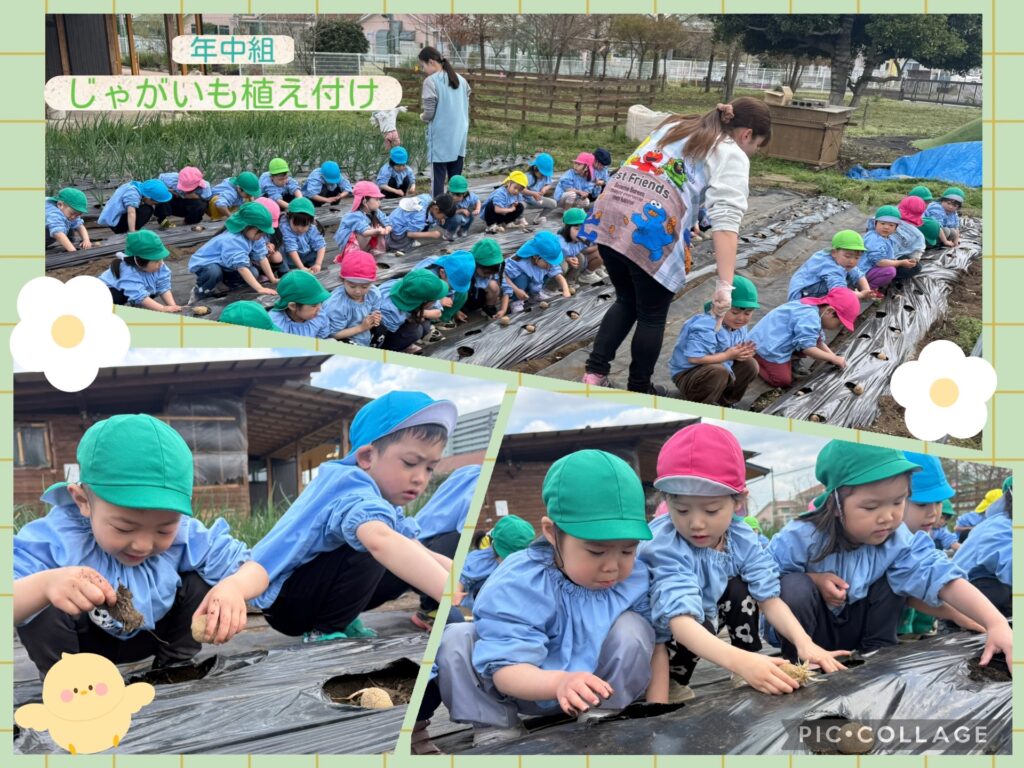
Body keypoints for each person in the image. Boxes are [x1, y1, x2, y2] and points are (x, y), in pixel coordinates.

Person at [14, 415, 269, 676]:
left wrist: (234, 587)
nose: (143, 545)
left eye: (164, 529)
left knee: (201, 581)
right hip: (84, 646)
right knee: (43, 600)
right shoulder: (57, 537)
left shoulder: (185, 535)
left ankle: (174, 667)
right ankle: (67, 680)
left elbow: (257, 570)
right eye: (124, 528)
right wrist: (45, 585)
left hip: (153, 635)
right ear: (83, 501)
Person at [433, 450, 657, 747]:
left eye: (627, 550)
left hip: (598, 690)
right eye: (597, 551)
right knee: (456, 637)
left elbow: (657, 642)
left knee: (635, 625)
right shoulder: (520, 582)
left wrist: (658, 707)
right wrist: (560, 683)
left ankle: (604, 712)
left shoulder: (635, 576)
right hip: (521, 686)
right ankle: (495, 723)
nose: (613, 566)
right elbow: (505, 670)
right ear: (552, 533)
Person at [641, 425, 846, 704]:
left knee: (740, 587)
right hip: (666, 636)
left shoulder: (741, 538)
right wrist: (740, 662)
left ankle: (749, 659)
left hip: (707, 617)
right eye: (682, 510)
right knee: (692, 622)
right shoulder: (665, 545)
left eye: (711, 510)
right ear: (667, 501)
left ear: (738, 501)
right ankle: (675, 680)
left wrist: (805, 643)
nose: (696, 523)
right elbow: (680, 622)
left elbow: (769, 599)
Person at [582, 99, 772, 394]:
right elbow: (726, 222)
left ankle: (594, 375)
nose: (753, 152)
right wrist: (725, 284)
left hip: (610, 215)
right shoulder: (730, 152)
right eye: (757, 146)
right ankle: (639, 389)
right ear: (746, 134)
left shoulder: (679, 125)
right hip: (648, 228)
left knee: (626, 300)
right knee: (651, 314)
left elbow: (669, 178)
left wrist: (689, 217)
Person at [768, 441, 1012, 666]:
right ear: (835, 505)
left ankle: (878, 657)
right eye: (871, 507)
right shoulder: (800, 537)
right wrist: (814, 579)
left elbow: (937, 573)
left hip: (858, 629)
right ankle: (799, 665)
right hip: (810, 636)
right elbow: (765, 583)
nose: (888, 517)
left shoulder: (897, 540)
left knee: (893, 576)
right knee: (794, 586)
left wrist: (995, 622)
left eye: (898, 502)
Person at [250, 392, 457, 642]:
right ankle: (325, 629)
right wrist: (448, 591)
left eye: (430, 468)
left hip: (312, 593)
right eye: (410, 462)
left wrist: (461, 577)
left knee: (405, 553)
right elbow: (380, 539)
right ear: (367, 457)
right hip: (285, 601)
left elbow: (416, 548)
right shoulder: (349, 485)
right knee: (378, 543)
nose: (420, 478)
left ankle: (340, 618)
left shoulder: (383, 500)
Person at [897, 452, 969, 639]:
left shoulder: (921, 535)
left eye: (938, 503)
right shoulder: (889, 543)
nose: (934, 513)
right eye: (921, 504)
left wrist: (959, 614)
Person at [669, 275, 760, 406]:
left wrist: (742, 353)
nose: (741, 318)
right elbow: (694, 358)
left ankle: (725, 403)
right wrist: (728, 355)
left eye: (747, 313)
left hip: (722, 366)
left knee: (750, 365)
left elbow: (733, 351)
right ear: (721, 306)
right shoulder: (706, 325)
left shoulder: (739, 327)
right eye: (735, 312)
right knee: (718, 372)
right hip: (689, 373)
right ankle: (702, 404)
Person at [748, 287, 858, 388]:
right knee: (782, 380)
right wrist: (833, 359)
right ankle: (755, 360)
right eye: (839, 323)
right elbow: (808, 348)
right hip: (767, 347)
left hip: (770, 337)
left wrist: (833, 357)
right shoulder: (809, 317)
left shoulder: (814, 307)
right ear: (829, 311)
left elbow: (818, 341)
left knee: (808, 345)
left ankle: (784, 359)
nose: (837, 327)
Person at [187, 202, 279, 304]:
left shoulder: (255, 237)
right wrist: (260, 288)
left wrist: (273, 279)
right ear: (246, 226)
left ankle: (225, 286)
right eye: (260, 231)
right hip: (206, 264)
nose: (262, 235)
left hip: (224, 264)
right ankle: (200, 292)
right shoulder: (233, 240)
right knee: (213, 272)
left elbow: (262, 257)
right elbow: (241, 268)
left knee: (253, 272)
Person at [954, 477, 1012, 617]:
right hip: (963, 589)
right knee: (1000, 591)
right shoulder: (1001, 524)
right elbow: (1008, 564)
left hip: (983, 583)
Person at [418, 45, 471, 197]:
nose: (423, 70)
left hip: (441, 136)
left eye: (423, 65)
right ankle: (454, 206)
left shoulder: (431, 81)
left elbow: (429, 113)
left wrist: (422, 117)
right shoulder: (462, 80)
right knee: (455, 179)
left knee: (438, 179)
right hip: (459, 134)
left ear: (431, 62)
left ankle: (438, 207)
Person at [455, 514, 536, 610]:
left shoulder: (530, 560)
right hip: (480, 599)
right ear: (497, 550)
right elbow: (463, 577)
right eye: (508, 558)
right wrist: (456, 592)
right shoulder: (482, 559)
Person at [98, 230, 180, 312]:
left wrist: (173, 306)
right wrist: (163, 308)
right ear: (140, 262)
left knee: (151, 290)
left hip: (133, 291)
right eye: (156, 261)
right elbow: (139, 295)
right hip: (105, 293)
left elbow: (163, 286)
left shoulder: (160, 266)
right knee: (116, 298)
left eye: (161, 258)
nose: (161, 263)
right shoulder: (128, 271)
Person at [377, 269, 451, 354]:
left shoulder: (402, 284)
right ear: (424, 302)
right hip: (381, 329)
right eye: (435, 300)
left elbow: (436, 311)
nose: (437, 301)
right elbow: (381, 335)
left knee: (421, 324)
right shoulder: (392, 315)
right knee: (415, 332)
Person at [786, 230, 873, 302]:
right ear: (834, 252)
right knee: (842, 295)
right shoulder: (830, 266)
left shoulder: (837, 258)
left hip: (810, 287)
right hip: (802, 296)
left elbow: (858, 274)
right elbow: (840, 291)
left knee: (851, 272)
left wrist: (867, 291)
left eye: (857, 257)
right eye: (847, 256)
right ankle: (820, 307)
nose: (852, 261)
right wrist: (860, 295)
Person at [498, 231, 569, 317]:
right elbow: (503, 275)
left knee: (549, 272)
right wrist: (516, 290)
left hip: (533, 282)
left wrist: (566, 290)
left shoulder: (547, 263)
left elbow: (559, 276)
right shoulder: (518, 262)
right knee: (521, 277)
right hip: (517, 287)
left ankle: (535, 294)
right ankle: (517, 302)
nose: (550, 265)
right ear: (536, 257)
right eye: (548, 262)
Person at [323, 249, 382, 346]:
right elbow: (333, 334)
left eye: (364, 287)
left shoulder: (373, 293)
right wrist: (361, 328)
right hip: (345, 336)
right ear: (343, 280)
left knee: (383, 328)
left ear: (372, 283)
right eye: (352, 286)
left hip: (365, 330)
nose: (358, 291)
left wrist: (375, 317)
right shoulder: (336, 305)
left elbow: (374, 311)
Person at [267, 270, 341, 339]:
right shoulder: (274, 325)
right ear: (293, 306)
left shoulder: (319, 316)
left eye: (320, 302)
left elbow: (322, 337)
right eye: (314, 305)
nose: (319, 308)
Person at [860, 205, 916, 292]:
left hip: (871, 269)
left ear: (896, 228)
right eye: (882, 223)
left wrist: (898, 261)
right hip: (863, 272)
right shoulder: (873, 238)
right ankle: (867, 290)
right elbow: (879, 262)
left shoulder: (887, 238)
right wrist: (900, 262)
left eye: (891, 225)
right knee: (890, 271)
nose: (886, 227)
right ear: (875, 223)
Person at [333, 181, 391, 259]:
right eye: (376, 199)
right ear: (364, 201)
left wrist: (387, 228)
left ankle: (375, 251)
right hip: (350, 246)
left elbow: (387, 222)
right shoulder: (354, 215)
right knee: (371, 230)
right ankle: (355, 255)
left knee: (378, 226)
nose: (379, 202)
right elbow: (364, 232)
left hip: (364, 241)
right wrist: (378, 230)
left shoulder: (376, 211)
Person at [456, 237, 506, 322]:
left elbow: (505, 287)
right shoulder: (463, 268)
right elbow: (450, 291)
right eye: (486, 273)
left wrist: (503, 309)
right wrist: (455, 311)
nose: (488, 276)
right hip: (461, 297)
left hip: (477, 296)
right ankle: (457, 310)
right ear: (476, 264)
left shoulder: (495, 267)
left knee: (494, 286)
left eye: (491, 273)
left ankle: (488, 308)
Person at [97, 178, 173, 233]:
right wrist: (132, 233)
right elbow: (131, 213)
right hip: (115, 224)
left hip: (115, 217)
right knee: (148, 210)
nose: (155, 204)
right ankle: (131, 230)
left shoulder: (137, 185)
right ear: (148, 197)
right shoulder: (132, 194)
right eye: (155, 203)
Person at [386, 193, 457, 251]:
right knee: (408, 238)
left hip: (394, 219)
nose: (443, 218)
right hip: (395, 231)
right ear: (436, 209)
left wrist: (440, 218)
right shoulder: (421, 217)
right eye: (444, 216)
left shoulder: (428, 199)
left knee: (426, 223)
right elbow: (409, 234)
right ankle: (403, 245)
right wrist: (431, 234)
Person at [275, 197, 327, 274]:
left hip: (306, 255)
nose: (299, 228)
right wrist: (301, 267)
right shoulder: (285, 227)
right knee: (280, 249)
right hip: (290, 259)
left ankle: (310, 265)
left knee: (319, 248)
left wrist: (318, 264)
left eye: (304, 225)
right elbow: (291, 248)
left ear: (311, 222)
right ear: (289, 217)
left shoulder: (312, 227)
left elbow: (320, 245)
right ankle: (284, 271)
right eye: (296, 224)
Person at [558, 207, 604, 286]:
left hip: (574, 259)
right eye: (577, 229)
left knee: (581, 258)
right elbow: (554, 256)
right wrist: (567, 259)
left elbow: (584, 248)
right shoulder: (560, 241)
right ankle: (553, 287)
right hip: (560, 262)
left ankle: (570, 281)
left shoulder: (581, 239)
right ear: (567, 228)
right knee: (564, 267)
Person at [45, 187, 92, 252]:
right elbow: (57, 233)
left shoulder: (69, 213)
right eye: (72, 213)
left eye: (77, 215)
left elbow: (80, 225)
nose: (74, 217)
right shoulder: (53, 213)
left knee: (69, 223)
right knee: (52, 235)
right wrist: (73, 251)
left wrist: (86, 240)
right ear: (60, 205)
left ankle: (69, 240)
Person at [444, 175, 481, 239]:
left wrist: (477, 209)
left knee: (471, 216)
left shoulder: (469, 197)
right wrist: (461, 210)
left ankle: (462, 231)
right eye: (452, 194)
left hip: (462, 216)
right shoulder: (447, 199)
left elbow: (477, 200)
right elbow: (447, 213)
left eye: (458, 194)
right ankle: (449, 233)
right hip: (448, 218)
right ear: (449, 191)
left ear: (464, 193)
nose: (454, 197)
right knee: (457, 218)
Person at [523, 152, 558, 218]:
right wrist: (533, 194)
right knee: (519, 206)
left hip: (536, 200)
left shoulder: (546, 176)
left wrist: (545, 188)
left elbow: (549, 184)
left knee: (553, 204)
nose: (543, 177)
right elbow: (522, 190)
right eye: (542, 174)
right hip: (525, 201)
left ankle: (539, 218)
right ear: (535, 168)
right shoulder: (528, 177)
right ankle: (519, 219)